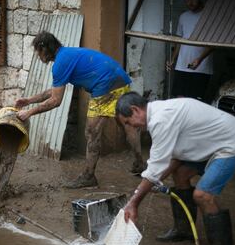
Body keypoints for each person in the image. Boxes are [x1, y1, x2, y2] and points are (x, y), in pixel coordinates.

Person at [116, 92, 235, 245]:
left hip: (233, 143)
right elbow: (171, 160)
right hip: (211, 143)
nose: (131, 127)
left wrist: (134, 202)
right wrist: (152, 181)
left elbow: (156, 167)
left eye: (128, 122)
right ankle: (184, 230)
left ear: (135, 110)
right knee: (180, 175)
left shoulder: (160, 119)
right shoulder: (159, 112)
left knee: (203, 195)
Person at [15, 31, 144, 188]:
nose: (37, 55)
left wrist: (29, 113)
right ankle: (139, 163)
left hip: (105, 86)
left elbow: (55, 100)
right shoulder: (66, 55)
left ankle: (88, 176)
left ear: (44, 48)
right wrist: (29, 100)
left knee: (91, 132)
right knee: (127, 124)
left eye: (37, 51)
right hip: (119, 79)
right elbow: (54, 91)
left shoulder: (60, 63)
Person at [166, 0, 213, 102]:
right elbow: (179, 40)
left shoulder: (209, 16)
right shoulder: (183, 17)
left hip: (201, 68)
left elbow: (214, 43)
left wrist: (199, 59)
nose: (190, 2)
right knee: (180, 99)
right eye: (186, 0)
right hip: (182, 65)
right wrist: (173, 59)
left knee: (195, 101)